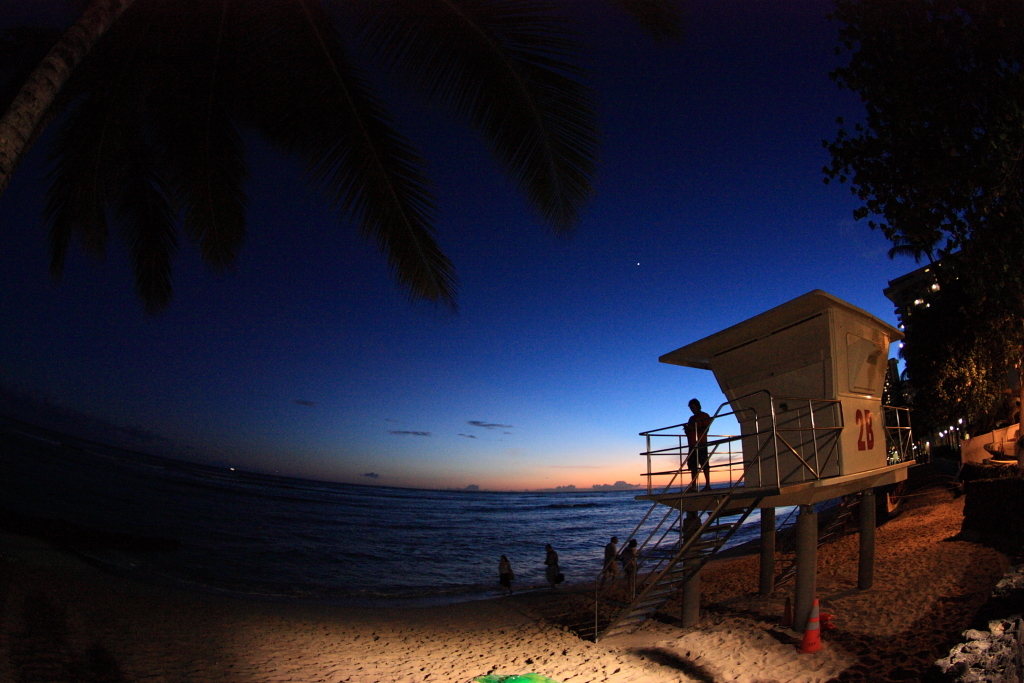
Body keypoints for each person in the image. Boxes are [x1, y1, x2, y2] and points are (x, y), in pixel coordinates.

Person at [684, 398, 713, 490]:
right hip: (692, 444)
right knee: (693, 465)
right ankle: (693, 486)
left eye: (693, 407)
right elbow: (689, 432)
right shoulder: (691, 418)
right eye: (690, 408)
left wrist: (693, 428)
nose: (692, 410)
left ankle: (707, 484)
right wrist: (687, 429)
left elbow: (706, 429)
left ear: (697, 406)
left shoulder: (704, 416)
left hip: (701, 443)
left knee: (704, 464)